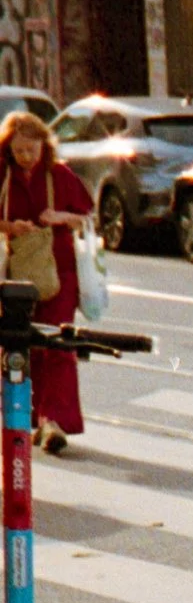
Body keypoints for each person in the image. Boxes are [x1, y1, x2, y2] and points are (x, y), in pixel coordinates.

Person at [0, 108, 90, 451]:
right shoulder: (3, 177)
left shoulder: (60, 175)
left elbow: (85, 218)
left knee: (58, 345)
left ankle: (52, 421)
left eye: (32, 150)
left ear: (44, 146)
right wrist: (10, 227)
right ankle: (28, 417)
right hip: (15, 276)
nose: (26, 157)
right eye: (19, 151)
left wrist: (60, 217)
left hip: (59, 272)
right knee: (23, 346)